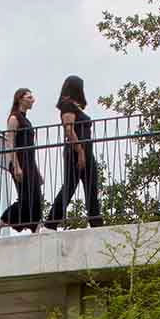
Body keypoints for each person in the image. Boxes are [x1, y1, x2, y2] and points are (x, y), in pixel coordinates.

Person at [45, 75, 104, 228]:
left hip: (85, 150)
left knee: (91, 185)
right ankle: (51, 222)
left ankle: (96, 222)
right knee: (70, 185)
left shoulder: (73, 105)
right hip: (75, 151)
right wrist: (80, 152)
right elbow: (69, 130)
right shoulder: (67, 105)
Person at [0, 88, 43, 236]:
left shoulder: (26, 120)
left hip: (30, 164)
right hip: (20, 163)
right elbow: (10, 143)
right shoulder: (14, 118)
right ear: (20, 99)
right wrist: (16, 166)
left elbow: (30, 149)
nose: (33, 100)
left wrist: (36, 171)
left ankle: (35, 229)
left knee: (36, 198)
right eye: (29, 97)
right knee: (26, 199)